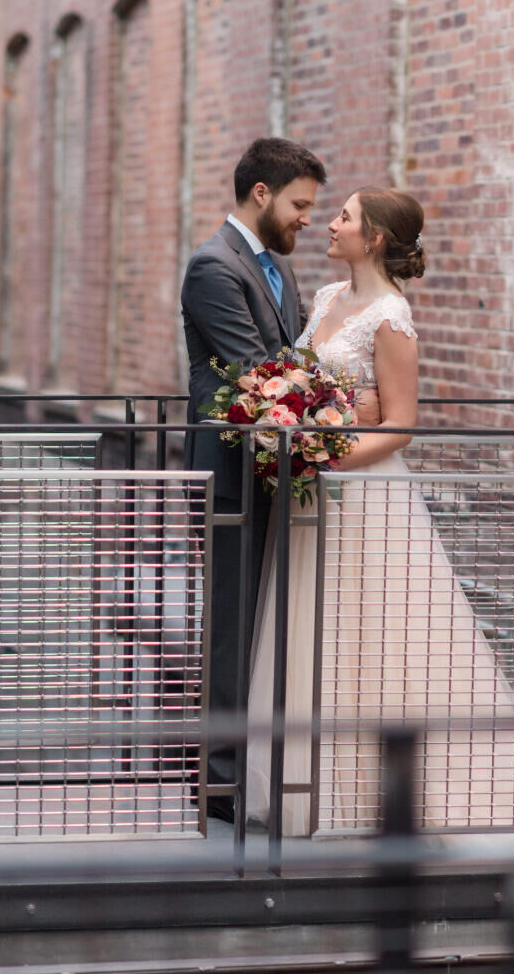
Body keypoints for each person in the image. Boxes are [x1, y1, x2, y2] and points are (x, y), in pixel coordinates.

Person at [246, 187, 514, 835]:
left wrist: (324, 453)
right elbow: (305, 379)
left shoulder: (392, 315)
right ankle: (310, 789)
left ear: (376, 239)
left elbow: (399, 425)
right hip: (312, 490)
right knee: (318, 631)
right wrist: (284, 410)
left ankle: (388, 797)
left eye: (344, 218)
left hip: (364, 493)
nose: (329, 225)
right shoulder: (329, 298)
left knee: (378, 636)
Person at [181, 136, 326, 822]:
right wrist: (328, 408)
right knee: (233, 629)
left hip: (275, 469)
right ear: (261, 194)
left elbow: (289, 361)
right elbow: (258, 371)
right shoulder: (214, 267)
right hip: (235, 480)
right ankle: (220, 782)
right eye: (300, 204)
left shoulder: (276, 269)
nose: (306, 218)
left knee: (269, 627)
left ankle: (259, 769)